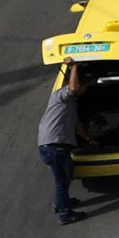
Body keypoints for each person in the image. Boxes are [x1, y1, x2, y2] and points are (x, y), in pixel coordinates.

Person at [38, 66, 83, 225]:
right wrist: (75, 66)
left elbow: (77, 126)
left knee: (66, 175)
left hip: (52, 146)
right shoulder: (61, 95)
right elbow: (72, 88)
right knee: (61, 182)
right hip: (54, 146)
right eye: (85, 86)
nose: (85, 90)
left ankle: (60, 203)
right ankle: (65, 215)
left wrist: (91, 140)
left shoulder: (70, 104)